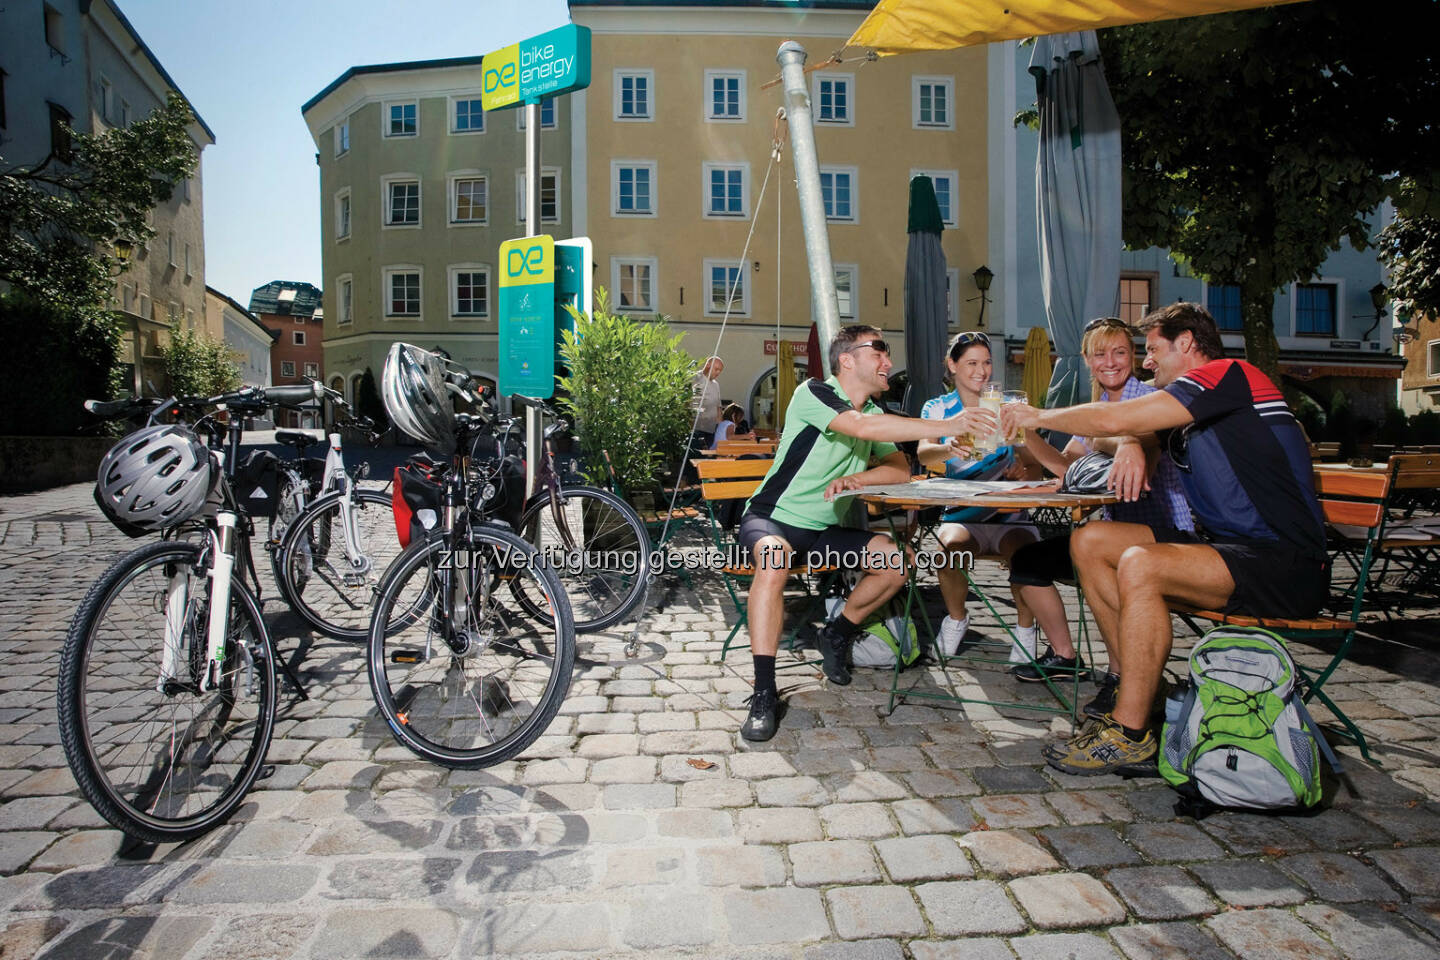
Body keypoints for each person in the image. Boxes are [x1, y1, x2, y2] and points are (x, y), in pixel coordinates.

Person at [1001, 303, 1328, 775]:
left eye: (1153, 350)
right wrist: (1134, 440)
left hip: (1284, 561)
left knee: (1141, 562)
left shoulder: (1228, 374)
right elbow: (1126, 426)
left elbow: (1118, 420)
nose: (1146, 361)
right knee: (1091, 540)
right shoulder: (1188, 399)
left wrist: (1036, 415)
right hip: (1224, 547)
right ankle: (1129, 684)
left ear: (1187, 344)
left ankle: (1130, 733)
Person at [737, 324, 997, 741]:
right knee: (774, 559)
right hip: (772, 519)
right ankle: (764, 692)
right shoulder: (814, 393)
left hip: (822, 530)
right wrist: (946, 426)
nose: (888, 363)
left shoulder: (875, 414)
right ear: (847, 359)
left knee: (898, 562)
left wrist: (858, 480)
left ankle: (835, 636)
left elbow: (899, 469)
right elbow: (862, 428)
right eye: (879, 352)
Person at [1004, 317, 1193, 695]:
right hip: (1114, 537)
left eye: (1119, 352)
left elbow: (1142, 459)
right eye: (1100, 353)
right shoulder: (1098, 407)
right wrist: (1025, 434)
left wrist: (1120, 440)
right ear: (1088, 361)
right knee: (1028, 561)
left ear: (1134, 356)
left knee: (1091, 545)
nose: (1110, 361)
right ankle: (1067, 657)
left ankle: (1125, 678)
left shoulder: (1152, 398)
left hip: (1165, 533)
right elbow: (1067, 468)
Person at [915, 331, 1042, 657]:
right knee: (948, 552)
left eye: (986, 362)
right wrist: (949, 446)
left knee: (1026, 557)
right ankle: (957, 619)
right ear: (952, 365)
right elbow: (924, 454)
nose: (981, 370)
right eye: (971, 362)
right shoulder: (938, 408)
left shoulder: (1006, 408)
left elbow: (1035, 466)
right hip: (963, 513)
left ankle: (1027, 629)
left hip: (1008, 513)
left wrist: (1023, 472)